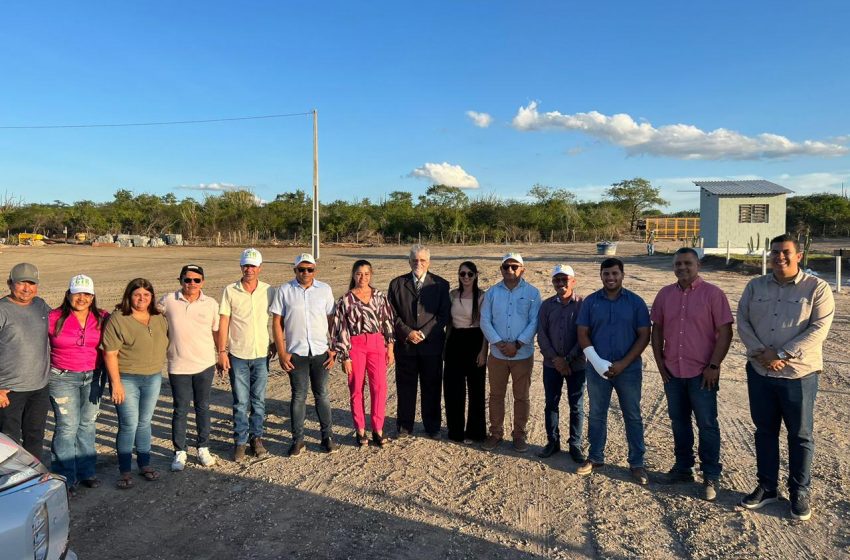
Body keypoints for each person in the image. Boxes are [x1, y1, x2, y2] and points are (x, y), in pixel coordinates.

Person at [737, 234, 834, 521]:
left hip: (799, 375)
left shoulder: (817, 288)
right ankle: (767, 487)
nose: (780, 257)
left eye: (786, 252)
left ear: (799, 255)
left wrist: (781, 354)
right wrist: (760, 352)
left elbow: (819, 328)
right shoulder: (755, 286)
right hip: (760, 372)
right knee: (764, 432)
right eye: (775, 252)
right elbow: (742, 320)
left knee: (800, 435)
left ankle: (799, 491)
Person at [650, 248, 733, 501]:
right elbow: (657, 330)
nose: (682, 268)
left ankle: (710, 474)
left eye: (687, 263)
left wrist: (714, 365)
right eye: (678, 264)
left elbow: (725, 332)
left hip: (702, 373)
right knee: (679, 422)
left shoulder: (713, 294)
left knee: (707, 424)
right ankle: (683, 468)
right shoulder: (664, 295)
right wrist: (660, 363)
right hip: (673, 371)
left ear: (698, 265)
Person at [576, 257, 651, 485]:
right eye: (606, 274)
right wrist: (597, 362)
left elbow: (644, 336)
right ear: (601, 275)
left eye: (615, 274)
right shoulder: (590, 302)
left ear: (622, 275)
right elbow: (582, 334)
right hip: (598, 369)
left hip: (628, 370)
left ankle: (637, 463)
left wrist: (623, 363)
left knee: (633, 416)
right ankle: (596, 457)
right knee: (597, 414)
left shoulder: (636, 302)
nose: (611, 278)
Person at [102, 278, 169, 489]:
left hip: (153, 377)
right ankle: (125, 471)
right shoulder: (118, 319)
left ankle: (144, 465)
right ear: (129, 296)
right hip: (127, 378)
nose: (142, 299)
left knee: (144, 422)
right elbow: (110, 353)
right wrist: (116, 383)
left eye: (146, 295)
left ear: (152, 297)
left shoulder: (158, 318)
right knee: (129, 424)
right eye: (137, 295)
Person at [271, 253, 338, 456]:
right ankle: (298, 440)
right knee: (298, 396)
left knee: (322, 395)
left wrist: (334, 348)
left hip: (320, 351)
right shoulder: (284, 290)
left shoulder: (324, 289)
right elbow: (276, 322)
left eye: (310, 269)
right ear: (295, 271)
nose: (306, 273)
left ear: (315, 271)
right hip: (296, 353)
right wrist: (282, 352)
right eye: (302, 269)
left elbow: (332, 320)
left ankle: (327, 437)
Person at [48, 274, 109, 493]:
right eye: (77, 293)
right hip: (62, 377)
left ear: (92, 297)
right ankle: (65, 476)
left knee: (87, 424)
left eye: (86, 294)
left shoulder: (103, 317)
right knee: (67, 427)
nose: (81, 298)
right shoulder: (53, 317)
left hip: (93, 377)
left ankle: (86, 471)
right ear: (68, 294)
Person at [159, 264, 220, 471]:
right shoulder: (168, 300)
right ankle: (180, 451)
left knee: (203, 407)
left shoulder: (210, 303)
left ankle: (203, 447)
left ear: (202, 282)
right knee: (180, 409)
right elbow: (147, 315)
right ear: (180, 280)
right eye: (187, 280)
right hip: (178, 365)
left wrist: (222, 354)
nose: (191, 284)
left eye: (196, 280)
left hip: (204, 364)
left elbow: (216, 331)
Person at [387, 244, 450, 439]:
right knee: (405, 387)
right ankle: (404, 426)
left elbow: (443, 315)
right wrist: (407, 332)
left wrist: (423, 333)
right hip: (405, 346)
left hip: (431, 345)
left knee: (431, 386)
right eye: (415, 260)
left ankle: (432, 426)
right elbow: (391, 314)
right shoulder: (397, 284)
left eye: (422, 260)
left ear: (429, 262)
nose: (418, 263)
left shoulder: (441, 284)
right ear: (409, 261)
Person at [480, 253, 541, 453]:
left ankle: (519, 435)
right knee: (496, 395)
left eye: (514, 267)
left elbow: (534, 322)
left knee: (521, 396)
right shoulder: (492, 293)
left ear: (522, 269)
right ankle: (496, 433)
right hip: (497, 355)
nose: (510, 270)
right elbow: (485, 320)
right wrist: (498, 343)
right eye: (506, 267)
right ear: (501, 269)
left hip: (522, 355)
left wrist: (517, 344)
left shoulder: (533, 293)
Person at [218, 248, 275, 462]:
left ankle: (256, 438)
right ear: (240, 267)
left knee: (258, 401)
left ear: (260, 268)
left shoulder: (269, 291)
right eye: (245, 265)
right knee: (241, 401)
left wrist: (278, 345)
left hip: (261, 354)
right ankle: (240, 441)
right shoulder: (230, 290)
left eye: (253, 265)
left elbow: (279, 320)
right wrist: (222, 351)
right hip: (238, 354)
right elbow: (224, 320)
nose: (249, 269)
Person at [332, 259, 395, 447]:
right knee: (356, 388)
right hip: (355, 345)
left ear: (371, 275)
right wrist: (345, 356)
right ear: (353, 275)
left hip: (377, 343)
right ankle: (360, 430)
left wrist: (390, 347)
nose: (363, 277)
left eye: (366, 274)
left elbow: (387, 322)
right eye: (359, 274)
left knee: (379, 388)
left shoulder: (379, 296)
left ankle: (378, 429)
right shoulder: (345, 300)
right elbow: (340, 328)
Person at [0, 263, 51, 459]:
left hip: (39, 387)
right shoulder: (2, 309)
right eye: (21, 283)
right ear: (10, 283)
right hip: (9, 390)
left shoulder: (41, 305)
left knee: (35, 436)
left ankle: (34, 477)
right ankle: (8, 483)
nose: (26, 288)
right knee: (8, 440)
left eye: (32, 283)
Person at [536, 264, 587, 463]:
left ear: (573, 281)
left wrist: (567, 359)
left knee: (576, 406)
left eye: (564, 280)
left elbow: (584, 335)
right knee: (551, 403)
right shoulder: (546, 305)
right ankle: (552, 442)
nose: (560, 283)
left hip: (577, 365)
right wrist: (556, 360)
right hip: (551, 365)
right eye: (557, 280)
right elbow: (542, 334)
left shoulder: (583, 304)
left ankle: (575, 444)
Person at [443, 261, 488, 444]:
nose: (466, 277)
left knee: (476, 389)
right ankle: (456, 431)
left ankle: (475, 432)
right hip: (455, 341)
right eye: (463, 274)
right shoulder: (453, 295)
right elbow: (448, 323)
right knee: (454, 388)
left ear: (476, 275)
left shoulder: (482, 296)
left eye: (470, 274)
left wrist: (484, 351)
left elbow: (485, 325)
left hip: (476, 341)